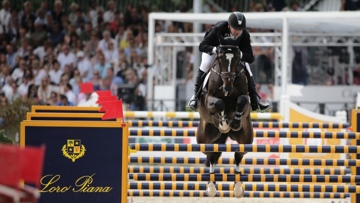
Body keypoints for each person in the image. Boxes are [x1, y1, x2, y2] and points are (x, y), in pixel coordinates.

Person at [187, 12, 271, 112]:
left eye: (240, 29)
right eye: (235, 28)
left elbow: (250, 57)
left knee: (248, 68)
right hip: (214, 51)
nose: (237, 32)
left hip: (233, 56)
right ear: (229, 26)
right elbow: (202, 46)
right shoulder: (219, 28)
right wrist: (215, 50)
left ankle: (255, 100)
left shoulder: (244, 35)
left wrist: (239, 54)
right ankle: (195, 97)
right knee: (205, 65)